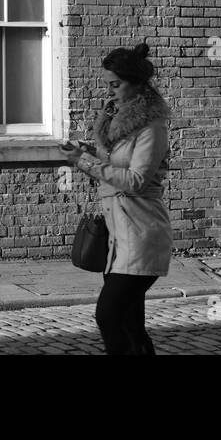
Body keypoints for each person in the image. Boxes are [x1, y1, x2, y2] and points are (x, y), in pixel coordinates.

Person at [63, 42, 173, 355]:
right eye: (108, 85)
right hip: (116, 238)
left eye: (116, 85)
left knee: (108, 315)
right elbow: (112, 164)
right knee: (130, 324)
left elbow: (136, 181)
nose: (111, 92)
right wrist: (84, 153)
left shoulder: (152, 128)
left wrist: (85, 163)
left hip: (141, 233)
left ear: (137, 85)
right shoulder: (117, 125)